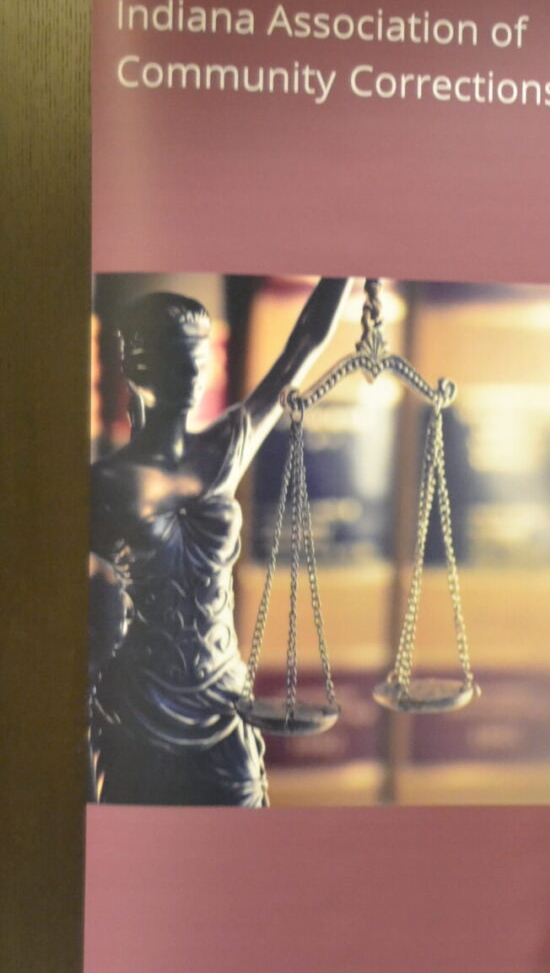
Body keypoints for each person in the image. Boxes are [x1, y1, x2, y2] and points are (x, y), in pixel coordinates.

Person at [89, 277, 353, 806]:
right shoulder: (104, 485)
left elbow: (304, 344)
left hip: (223, 700)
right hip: (141, 705)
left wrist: (349, 272)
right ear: (142, 369)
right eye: (178, 358)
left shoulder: (226, 449)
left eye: (201, 358)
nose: (194, 372)